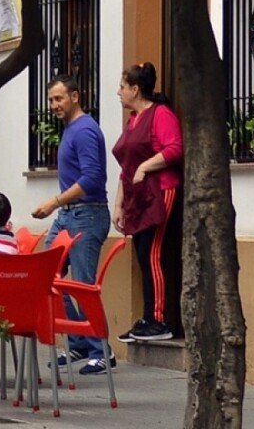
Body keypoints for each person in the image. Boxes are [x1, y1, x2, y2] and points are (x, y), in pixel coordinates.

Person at [30, 76, 111, 374]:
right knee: (47, 276)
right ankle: (78, 342)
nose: (54, 105)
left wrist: (54, 202)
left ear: (75, 97)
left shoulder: (86, 130)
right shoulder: (71, 130)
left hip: (86, 215)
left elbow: (92, 178)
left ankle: (102, 351)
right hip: (69, 215)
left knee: (83, 285)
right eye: (51, 100)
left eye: (59, 98)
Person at [113, 62, 185, 343]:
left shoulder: (161, 115)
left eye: (122, 87)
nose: (118, 92)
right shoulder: (133, 120)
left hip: (160, 191)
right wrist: (118, 204)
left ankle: (161, 320)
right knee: (143, 255)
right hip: (137, 197)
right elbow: (125, 167)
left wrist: (146, 167)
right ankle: (147, 318)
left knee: (152, 253)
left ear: (135, 89)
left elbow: (175, 148)